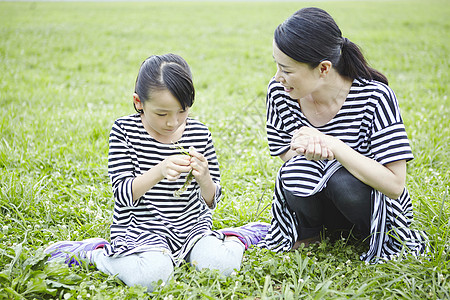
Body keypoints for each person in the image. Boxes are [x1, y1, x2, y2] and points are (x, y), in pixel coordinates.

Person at [44, 54, 269, 292]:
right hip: (141, 230)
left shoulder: (200, 133)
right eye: (162, 114)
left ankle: (237, 238)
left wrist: (205, 178)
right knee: (151, 280)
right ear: (139, 102)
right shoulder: (125, 132)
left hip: (192, 229)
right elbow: (122, 194)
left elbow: (212, 199)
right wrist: (159, 170)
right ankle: (94, 253)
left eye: (182, 111)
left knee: (221, 268)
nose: (173, 122)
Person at [256, 7, 429, 263]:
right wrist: (303, 145)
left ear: (324, 68)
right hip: (320, 203)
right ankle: (312, 233)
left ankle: (370, 234)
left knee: (342, 181)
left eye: (287, 70)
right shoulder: (281, 93)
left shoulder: (374, 97)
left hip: (367, 202)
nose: (277, 77)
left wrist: (334, 146)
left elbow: (394, 185)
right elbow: (285, 151)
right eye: (277, 66)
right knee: (294, 170)